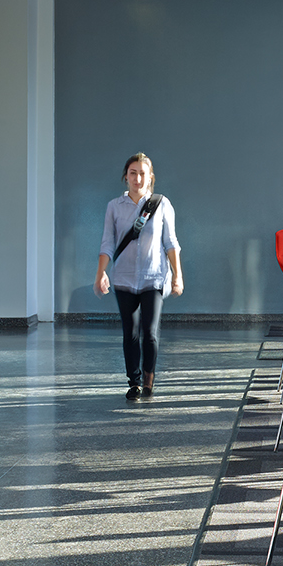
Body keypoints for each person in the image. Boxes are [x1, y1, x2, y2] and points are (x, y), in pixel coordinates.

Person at [95, 153, 183, 401]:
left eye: (142, 173)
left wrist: (178, 275)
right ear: (126, 177)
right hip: (123, 278)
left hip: (153, 276)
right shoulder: (114, 207)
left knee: (150, 331)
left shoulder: (162, 204)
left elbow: (170, 242)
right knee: (130, 333)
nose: (137, 177)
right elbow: (108, 243)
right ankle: (133, 382)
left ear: (150, 177)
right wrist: (101, 272)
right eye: (133, 173)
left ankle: (148, 378)